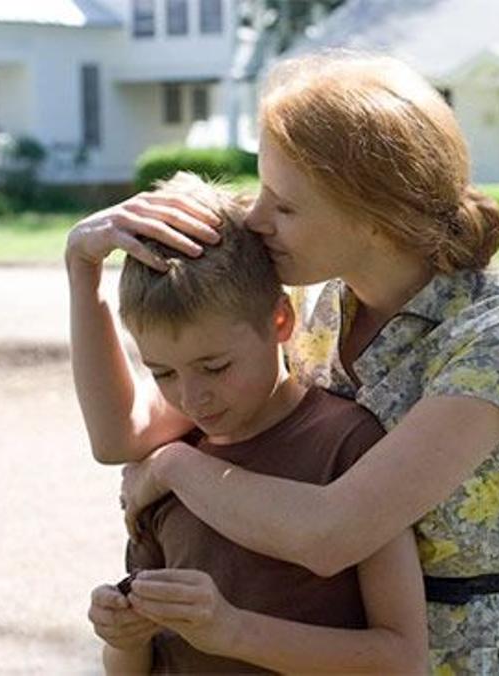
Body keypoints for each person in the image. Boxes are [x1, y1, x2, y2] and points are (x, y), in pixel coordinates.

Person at [66, 52, 499, 673]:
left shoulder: (495, 337)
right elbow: (119, 436)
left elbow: (333, 534)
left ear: (375, 217)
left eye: (285, 205)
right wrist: (82, 269)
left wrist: (171, 466)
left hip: (459, 658)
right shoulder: (315, 305)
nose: (257, 218)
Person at [80, 173, 427, 674]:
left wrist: (232, 630)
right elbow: (131, 666)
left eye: (215, 367)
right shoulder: (162, 464)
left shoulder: (348, 443)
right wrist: (124, 637)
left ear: (280, 321)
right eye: (162, 373)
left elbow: (400, 659)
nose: (192, 397)